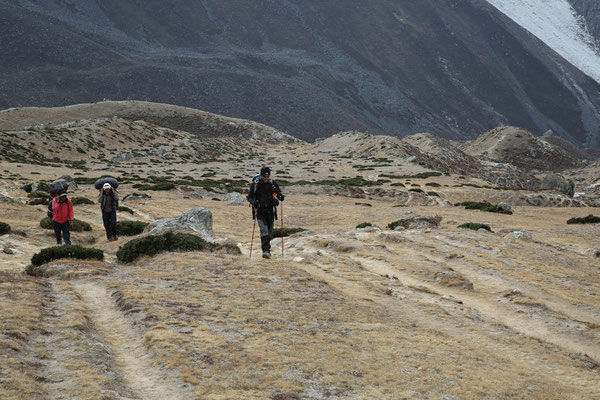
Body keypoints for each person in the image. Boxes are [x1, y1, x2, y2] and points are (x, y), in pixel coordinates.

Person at [246, 166, 285, 258]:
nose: (266, 178)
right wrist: (253, 203)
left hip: (270, 211)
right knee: (264, 231)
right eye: (264, 176)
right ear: (261, 175)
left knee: (269, 232)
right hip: (259, 211)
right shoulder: (256, 184)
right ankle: (266, 251)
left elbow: (277, 193)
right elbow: (249, 197)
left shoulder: (272, 184)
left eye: (267, 176)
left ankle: (267, 247)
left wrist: (280, 197)